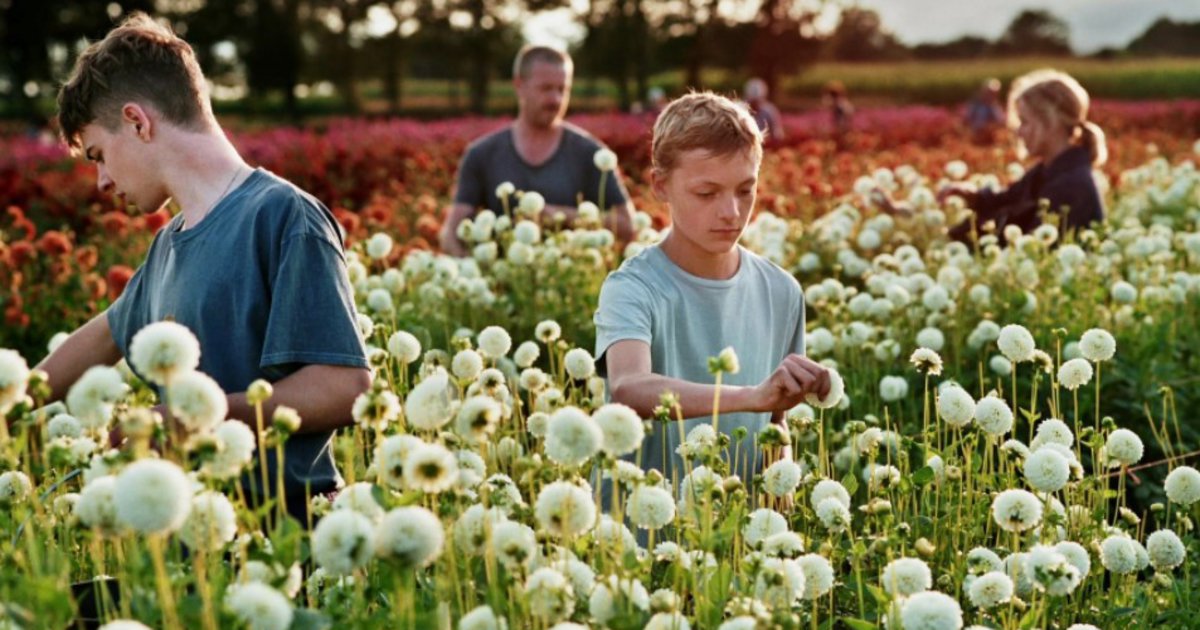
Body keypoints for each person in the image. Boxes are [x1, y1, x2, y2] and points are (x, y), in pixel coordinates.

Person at [39, 13, 371, 522]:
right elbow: (102, 337)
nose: (102, 181)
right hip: (191, 542)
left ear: (136, 121)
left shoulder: (282, 216)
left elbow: (342, 387)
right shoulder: (167, 247)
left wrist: (195, 417)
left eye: (99, 155)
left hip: (287, 538)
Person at [594, 92, 830, 486]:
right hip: (640, 534)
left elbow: (776, 421)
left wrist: (779, 476)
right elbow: (628, 387)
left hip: (738, 535)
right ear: (661, 185)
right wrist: (751, 396)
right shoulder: (632, 287)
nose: (731, 213)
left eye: (745, 190)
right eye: (707, 193)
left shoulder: (782, 291)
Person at [440, 45, 635, 256]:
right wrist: (474, 271)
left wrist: (560, 215)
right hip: (502, 281)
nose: (556, 100)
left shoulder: (591, 153)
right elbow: (451, 234)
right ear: (519, 85)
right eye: (546, 88)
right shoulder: (481, 154)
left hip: (570, 280)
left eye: (563, 89)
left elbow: (627, 224)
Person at [943, 69, 1107, 244]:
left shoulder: (1071, 185)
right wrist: (972, 196)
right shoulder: (1046, 172)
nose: (1019, 132)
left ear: (1051, 122)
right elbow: (1007, 200)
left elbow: (1035, 248)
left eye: (1025, 122)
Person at [743, 77, 785, 142]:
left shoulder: (770, 111)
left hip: (766, 145)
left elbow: (777, 135)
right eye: (752, 101)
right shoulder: (741, 110)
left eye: (757, 101)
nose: (754, 104)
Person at [965, 78, 1005, 143]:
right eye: (989, 92)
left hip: (990, 138)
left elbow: (1000, 121)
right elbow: (967, 119)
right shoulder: (975, 105)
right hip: (976, 136)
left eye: (994, 93)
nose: (991, 95)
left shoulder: (995, 107)